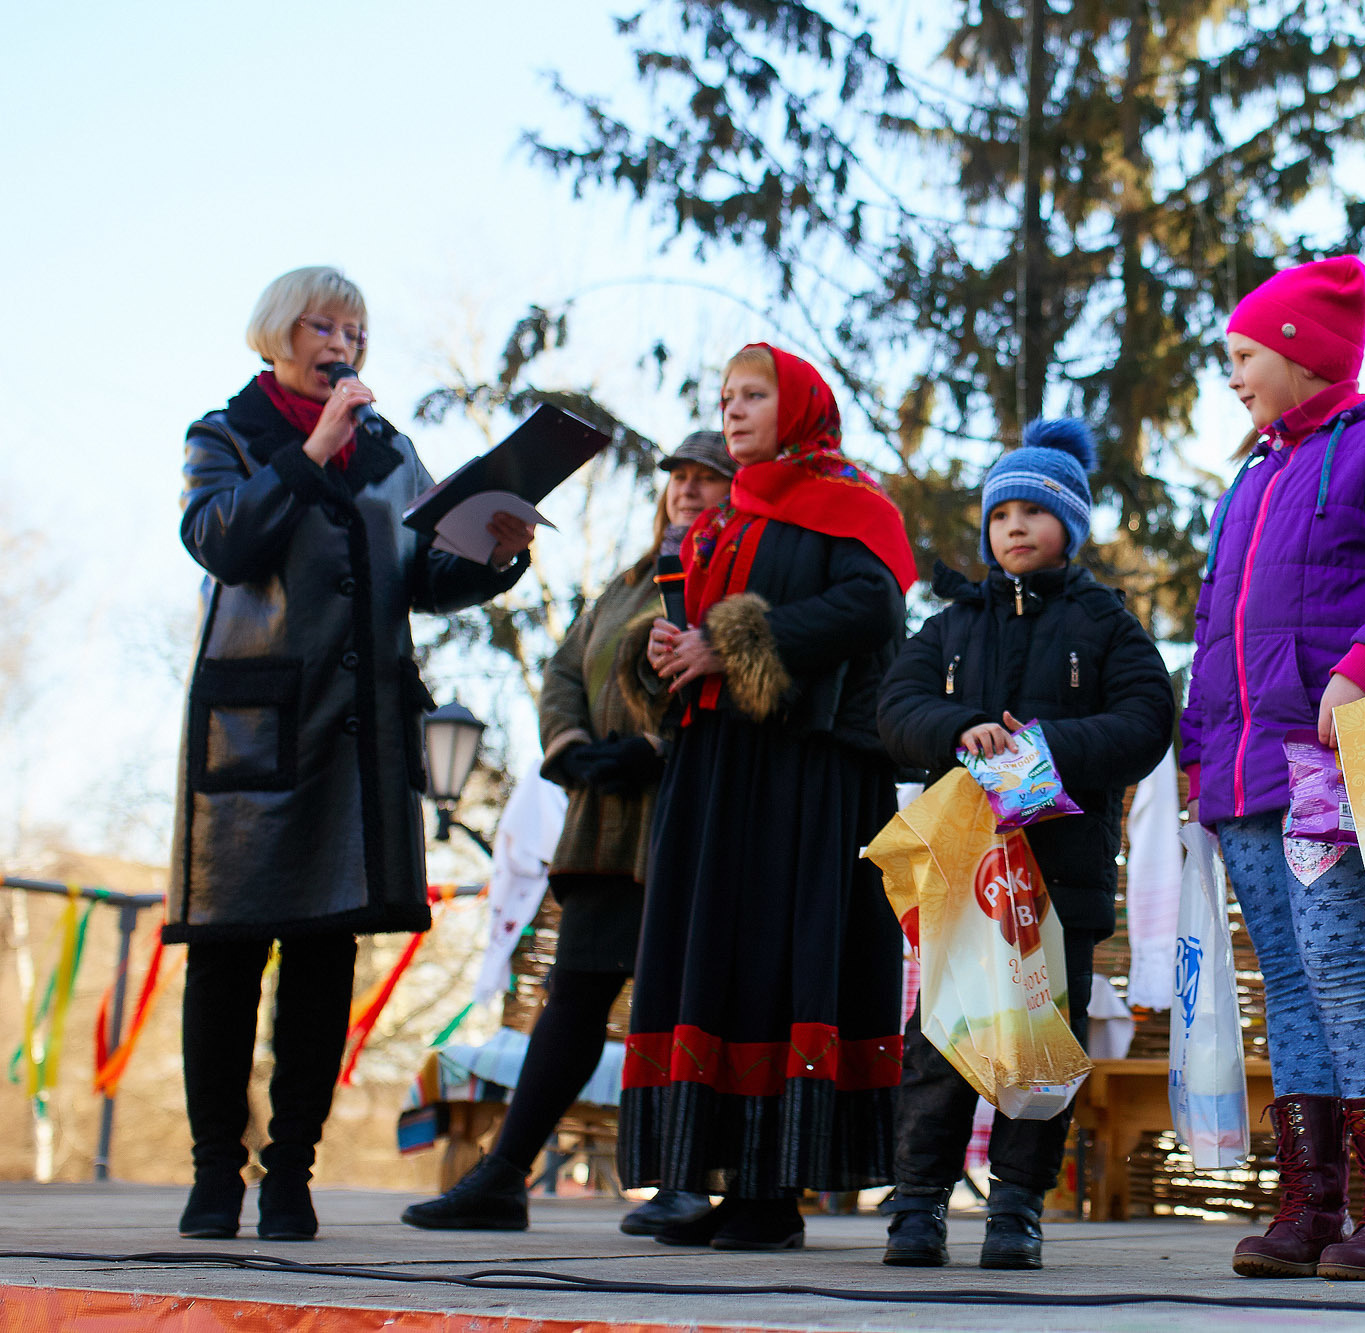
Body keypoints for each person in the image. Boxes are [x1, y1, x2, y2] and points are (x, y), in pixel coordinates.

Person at [170, 266, 533, 1241]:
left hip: (354, 732)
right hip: (254, 729)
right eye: (325, 326)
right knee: (225, 954)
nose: (344, 343)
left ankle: (291, 1172)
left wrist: (493, 551)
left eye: (357, 329)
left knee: (324, 953)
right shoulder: (226, 434)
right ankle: (214, 1174)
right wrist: (307, 454)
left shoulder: (389, 449)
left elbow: (426, 570)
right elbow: (218, 541)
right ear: (279, 335)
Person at [1181, 256, 1365, 1281]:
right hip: (1243, 781)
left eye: (1244, 355)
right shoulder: (1252, 474)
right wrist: (1193, 748)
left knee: (1346, 978)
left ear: (1303, 355)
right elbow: (1217, 631)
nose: (1232, 376)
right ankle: (1310, 1200)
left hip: (1329, 772)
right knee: (1290, 990)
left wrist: (1364, 666)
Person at [619, 342, 917, 1252]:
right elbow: (702, 627)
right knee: (717, 956)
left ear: (798, 408)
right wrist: (668, 650)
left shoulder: (851, 505)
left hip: (808, 775)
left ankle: (773, 1190)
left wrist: (736, 640)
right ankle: (720, 1174)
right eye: (727, 395)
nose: (736, 409)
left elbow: (873, 609)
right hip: (719, 775)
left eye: (754, 395)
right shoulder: (722, 518)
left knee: (785, 960)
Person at [400, 431, 735, 1234]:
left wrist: (658, 749)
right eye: (679, 477)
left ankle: (686, 1179)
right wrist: (575, 749)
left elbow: (732, 678)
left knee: (684, 1001)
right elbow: (561, 669)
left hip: (684, 820)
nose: (687, 489)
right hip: (604, 825)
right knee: (575, 997)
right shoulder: (629, 579)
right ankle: (504, 1173)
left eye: (708, 477)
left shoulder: (731, 571)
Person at [874, 419, 1176, 1270]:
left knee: (1044, 1048)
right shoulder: (951, 625)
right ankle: (919, 1203)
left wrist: (1048, 747)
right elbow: (892, 711)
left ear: (1069, 526)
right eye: (1000, 511)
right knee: (938, 1040)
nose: (1013, 526)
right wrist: (960, 728)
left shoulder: (1106, 622)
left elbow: (1147, 721)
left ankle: (1016, 1207)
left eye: (1033, 511)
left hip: (1063, 880)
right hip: (964, 879)